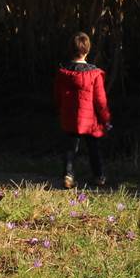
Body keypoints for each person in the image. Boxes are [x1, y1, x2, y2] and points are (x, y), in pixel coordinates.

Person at [53, 31, 112, 189]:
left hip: (70, 117)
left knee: (70, 149)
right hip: (90, 120)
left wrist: (60, 110)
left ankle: (68, 175)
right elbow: (100, 100)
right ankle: (99, 176)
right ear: (87, 50)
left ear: (70, 49)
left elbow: (57, 96)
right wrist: (106, 119)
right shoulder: (94, 74)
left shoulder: (63, 72)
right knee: (94, 149)